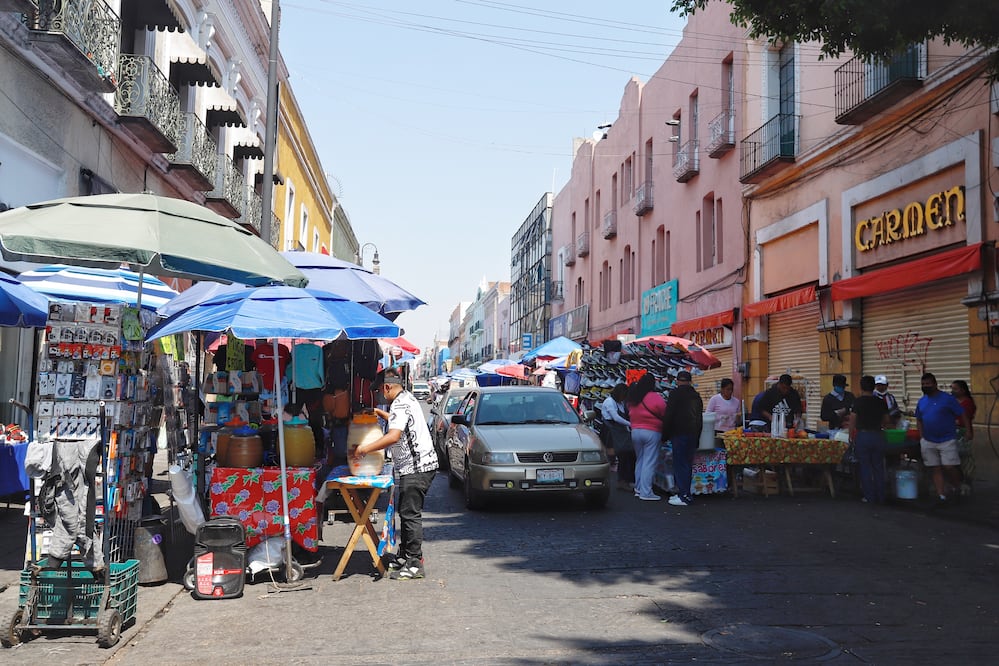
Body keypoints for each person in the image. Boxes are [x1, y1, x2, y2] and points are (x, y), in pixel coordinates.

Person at [352, 368, 439, 579]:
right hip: (419, 465)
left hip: (417, 467)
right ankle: (407, 555)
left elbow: (393, 436)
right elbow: (399, 420)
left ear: (388, 387)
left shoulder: (400, 402)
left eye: (381, 391)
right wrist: (382, 414)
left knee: (410, 514)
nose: (382, 395)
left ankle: (415, 563)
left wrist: (364, 449)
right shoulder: (406, 398)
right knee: (406, 511)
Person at [915, 372, 971, 504]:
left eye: (928, 383)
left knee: (949, 466)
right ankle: (941, 495)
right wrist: (922, 436)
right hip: (928, 440)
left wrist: (968, 431)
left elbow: (963, 415)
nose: (925, 386)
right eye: (923, 384)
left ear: (934, 384)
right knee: (935, 468)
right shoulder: (922, 401)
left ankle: (958, 485)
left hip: (947, 439)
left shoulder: (947, 399)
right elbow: (919, 419)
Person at [663, 370, 703, 507]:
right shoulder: (696, 396)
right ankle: (684, 493)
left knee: (680, 464)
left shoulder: (675, 394)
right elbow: (699, 419)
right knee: (687, 464)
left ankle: (683, 495)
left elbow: (669, 415)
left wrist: (665, 435)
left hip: (678, 433)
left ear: (678, 381)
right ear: (690, 381)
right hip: (692, 433)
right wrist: (698, 436)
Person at [625, 373, 666, 501]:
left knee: (640, 460)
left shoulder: (634, 397)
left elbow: (628, 412)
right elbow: (664, 412)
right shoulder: (655, 397)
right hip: (652, 432)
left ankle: (638, 488)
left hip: (635, 431)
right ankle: (646, 492)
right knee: (649, 462)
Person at [850, 375, 889, 504]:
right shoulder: (880, 401)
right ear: (874, 387)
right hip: (878, 435)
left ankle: (869, 496)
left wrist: (851, 435)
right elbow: (886, 420)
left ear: (861, 387)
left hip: (863, 436)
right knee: (878, 467)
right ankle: (881, 496)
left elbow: (852, 420)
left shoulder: (858, 402)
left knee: (865, 467)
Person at [600, 383, 633, 490]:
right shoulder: (610, 402)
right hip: (612, 431)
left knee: (624, 455)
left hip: (620, 432)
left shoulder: (620, 403)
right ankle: (620, 480)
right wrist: (630, 424)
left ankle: (623, 480)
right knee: (618, 455)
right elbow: (615, 417)